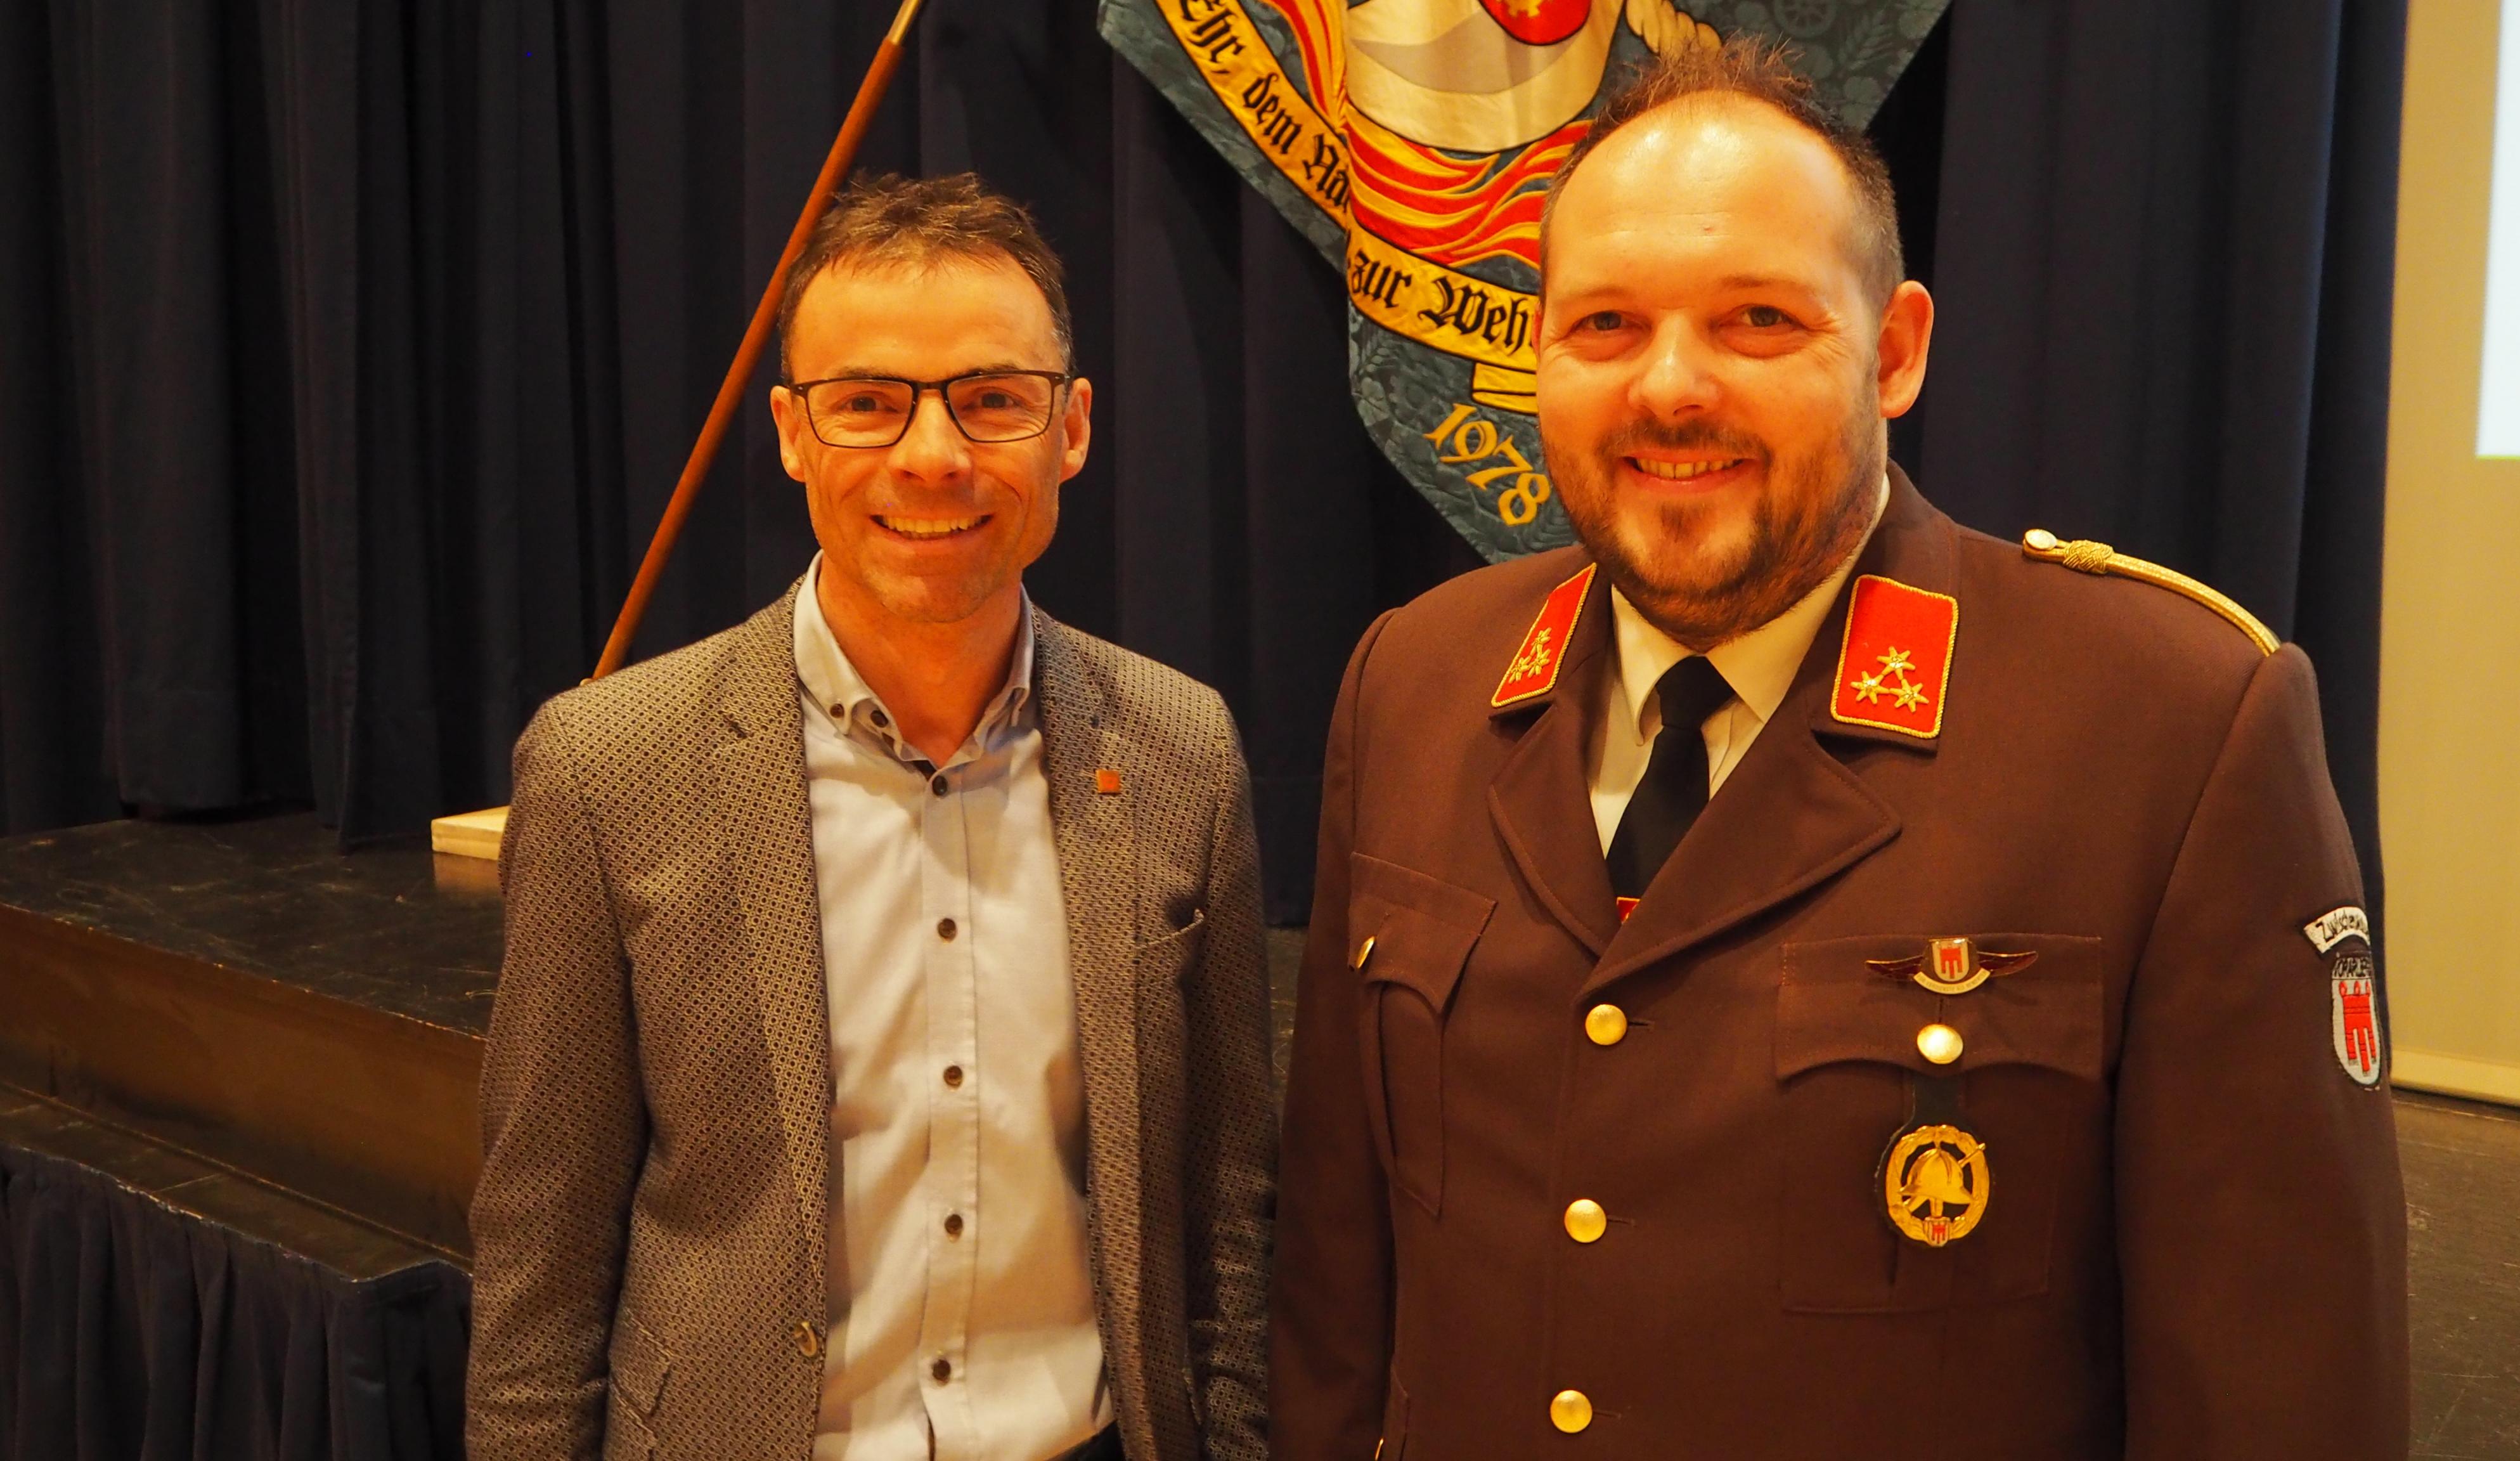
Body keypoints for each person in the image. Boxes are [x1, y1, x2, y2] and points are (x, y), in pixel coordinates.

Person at [1270, 39, 2406, 1459]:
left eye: (1756, 320)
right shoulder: (1417, 681)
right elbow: (1336, 1287)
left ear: (1895, 350)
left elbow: (2277, 1380)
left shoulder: (2165, 727)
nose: (1669, 390)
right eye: (1604, 325)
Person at [467, 172, 1272, 1461]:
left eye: (991, 399)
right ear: (794, 433)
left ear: (1071, 430)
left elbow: (1229, 1218)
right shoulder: (605, 767)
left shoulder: (1184, 752)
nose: (933, 455)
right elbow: (539, 1270)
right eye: (867, 404)